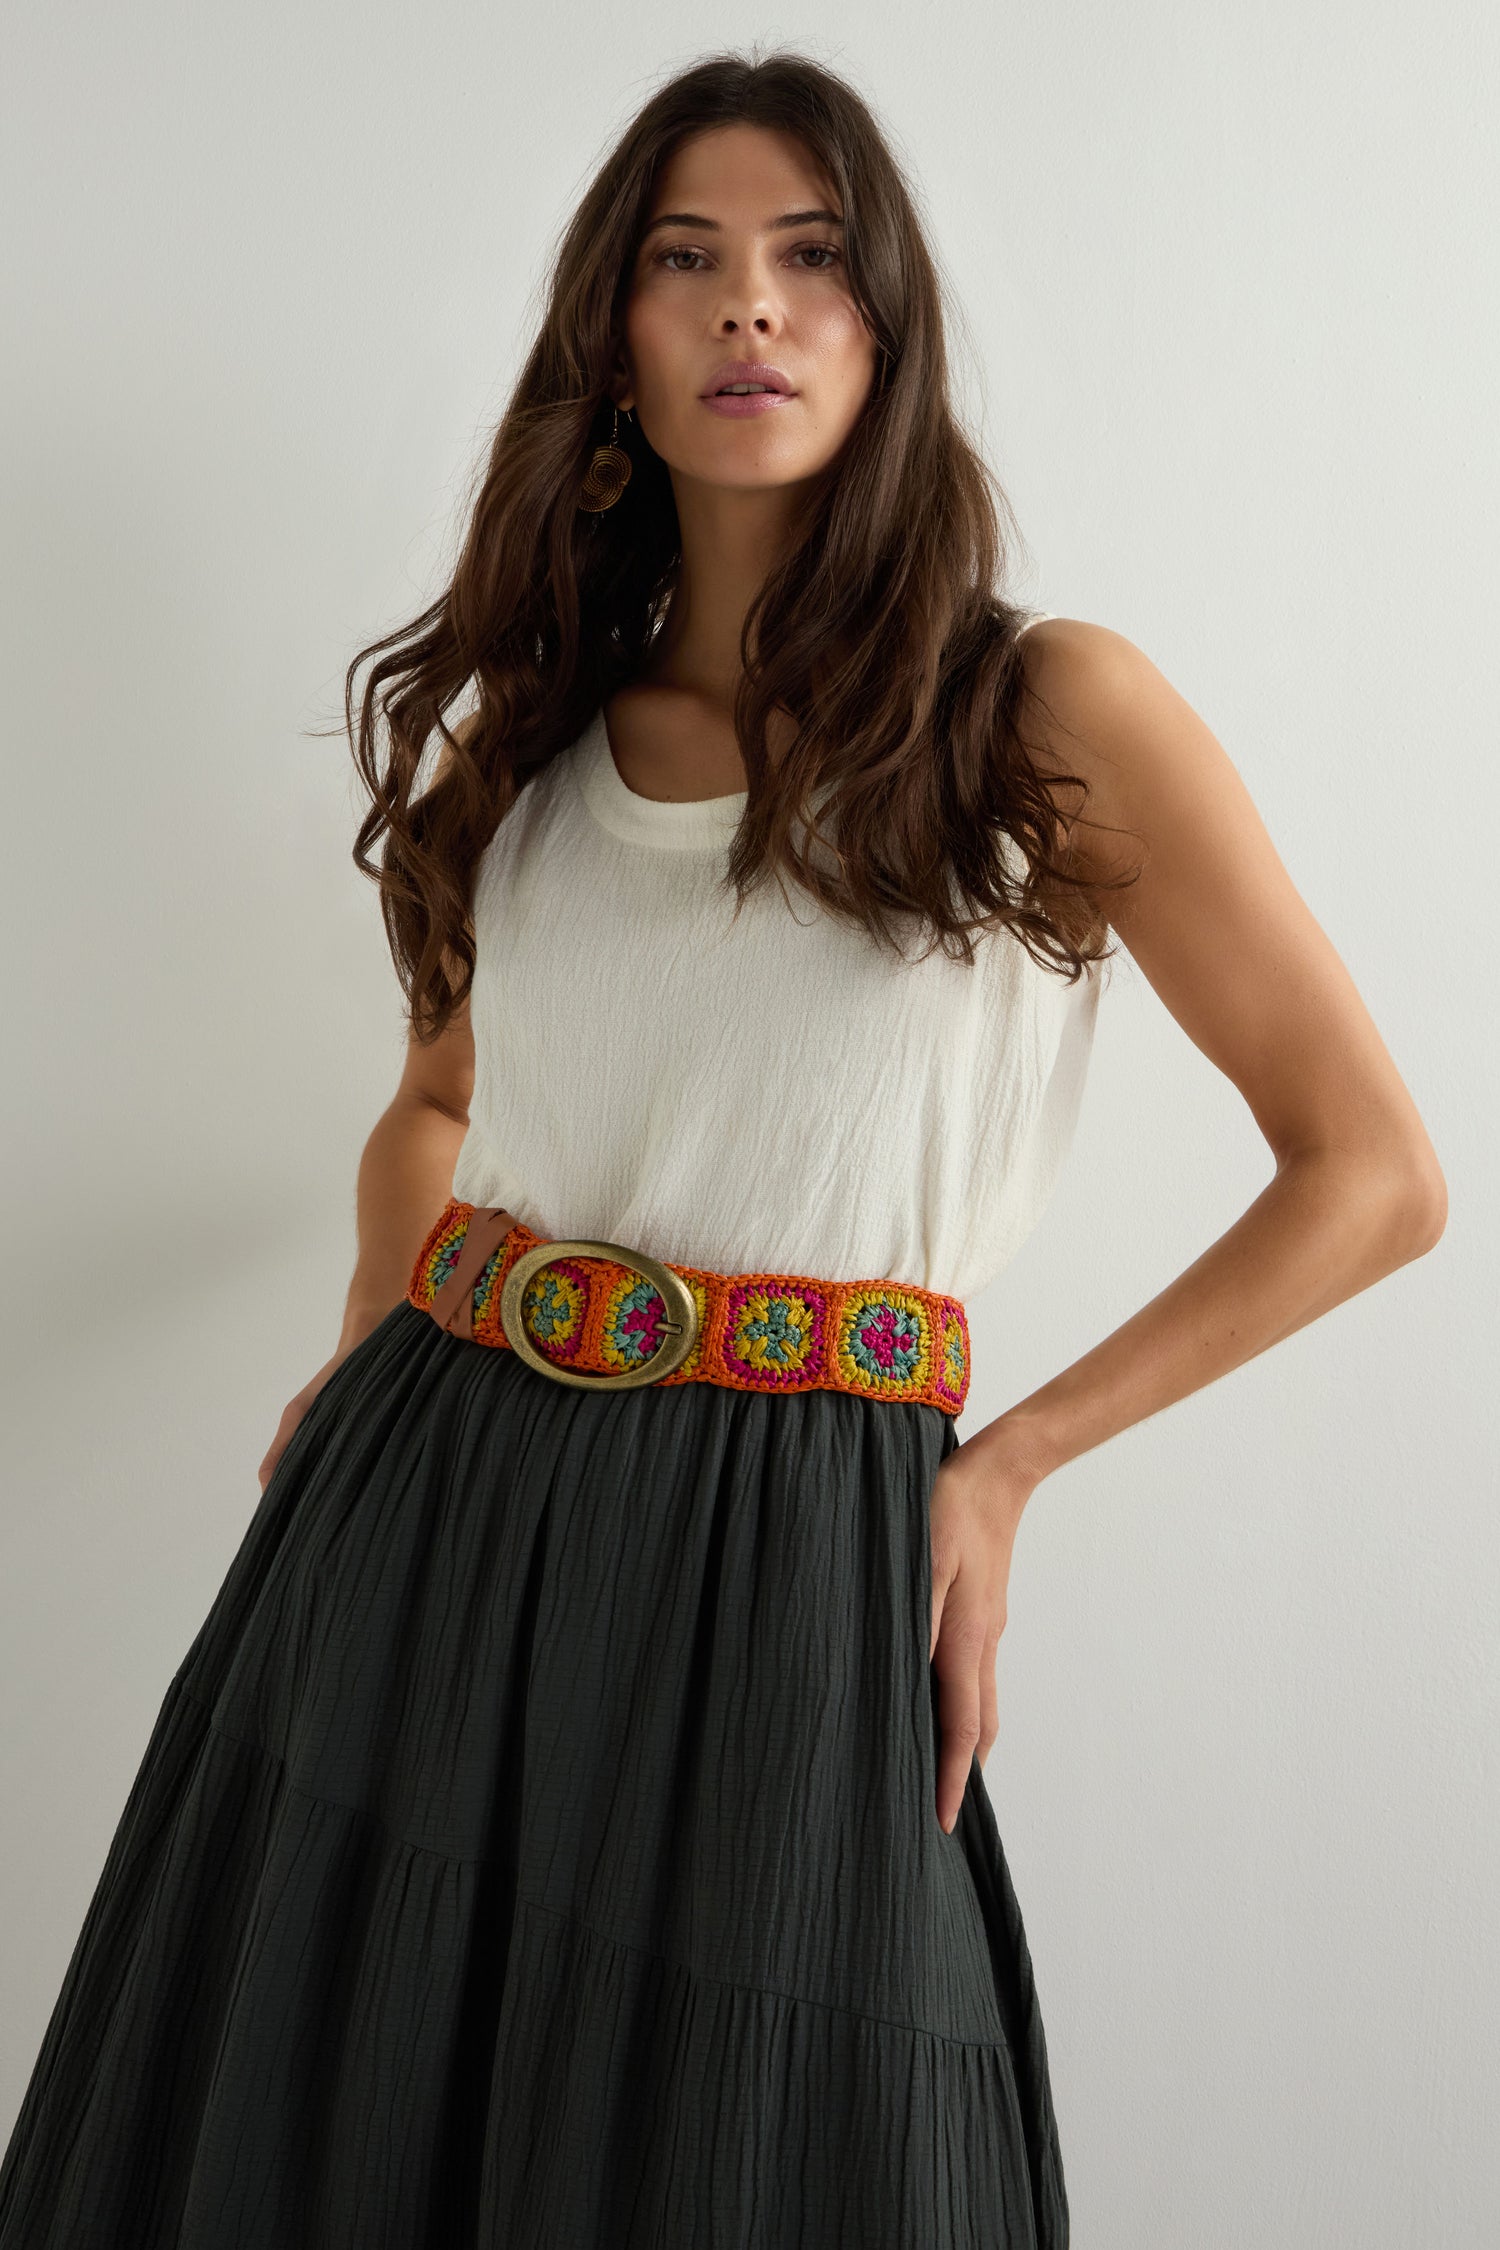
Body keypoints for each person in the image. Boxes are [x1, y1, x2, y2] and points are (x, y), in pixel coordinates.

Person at [0, 47, 1446, 2250]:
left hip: (801, 1541)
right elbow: (437, 1105)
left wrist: (1009, 1465)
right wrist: (370, 1333)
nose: (749, 306)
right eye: (687, 260)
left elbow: (1372, 1170)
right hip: (426, 1499)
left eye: (809, 257)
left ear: (887, 329)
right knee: (343, 2129)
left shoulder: (1039, 715)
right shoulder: (539, 732)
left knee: (785, 2152)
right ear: (616, 340)